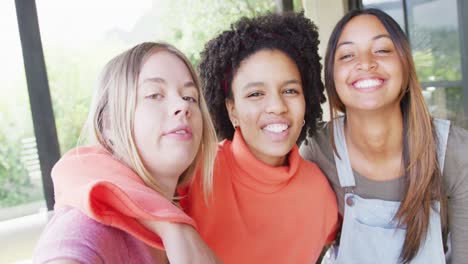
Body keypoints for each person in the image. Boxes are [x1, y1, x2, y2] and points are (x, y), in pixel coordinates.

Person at [43, 13, 339, 264]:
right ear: (231, 109)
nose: (276, 106)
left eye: (290, 90)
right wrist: (173, 224)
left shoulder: (321, 194)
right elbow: (80, 168)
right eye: (255, 93)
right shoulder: (194, 173)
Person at [299, 8, 468, 264]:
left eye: (382, 50)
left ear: (405, 65)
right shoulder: (318, 150)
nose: (365, 62)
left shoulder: (453, 151)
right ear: (331, 78)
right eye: (347, 55)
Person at [32, 42, 219, 264]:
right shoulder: (86, 226)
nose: (182, 104)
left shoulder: (194, 206)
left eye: (190, 97)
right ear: (108, 123)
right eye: (154, 95)